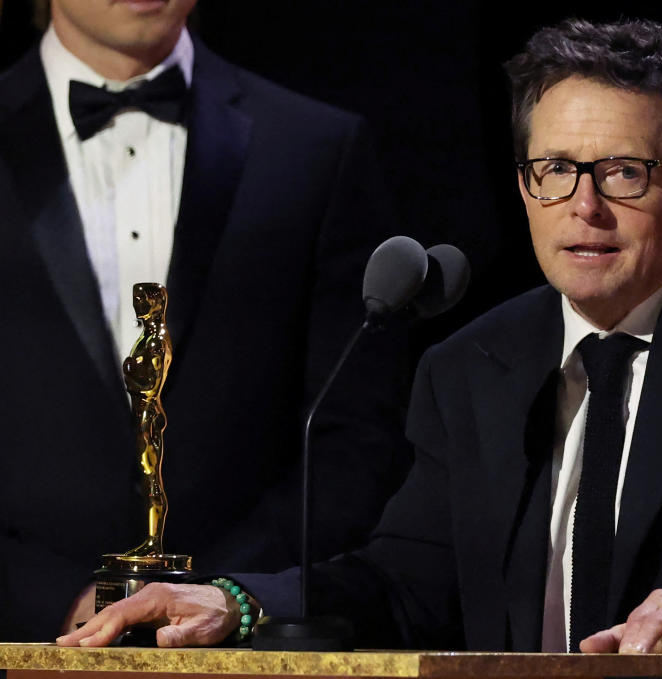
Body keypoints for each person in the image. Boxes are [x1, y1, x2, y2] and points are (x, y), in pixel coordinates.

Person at [59, 18, 662, 677]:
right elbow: (407, 578)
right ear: (523, 186)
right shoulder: (473, 364)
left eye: (623, 172)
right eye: (555, 170)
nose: (584, 207)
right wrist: (238, 601)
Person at [0, 0, 409, 641]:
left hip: (246, 637)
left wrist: (222, 594)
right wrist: (47, 598)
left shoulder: (314, 147)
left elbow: (354, 433)